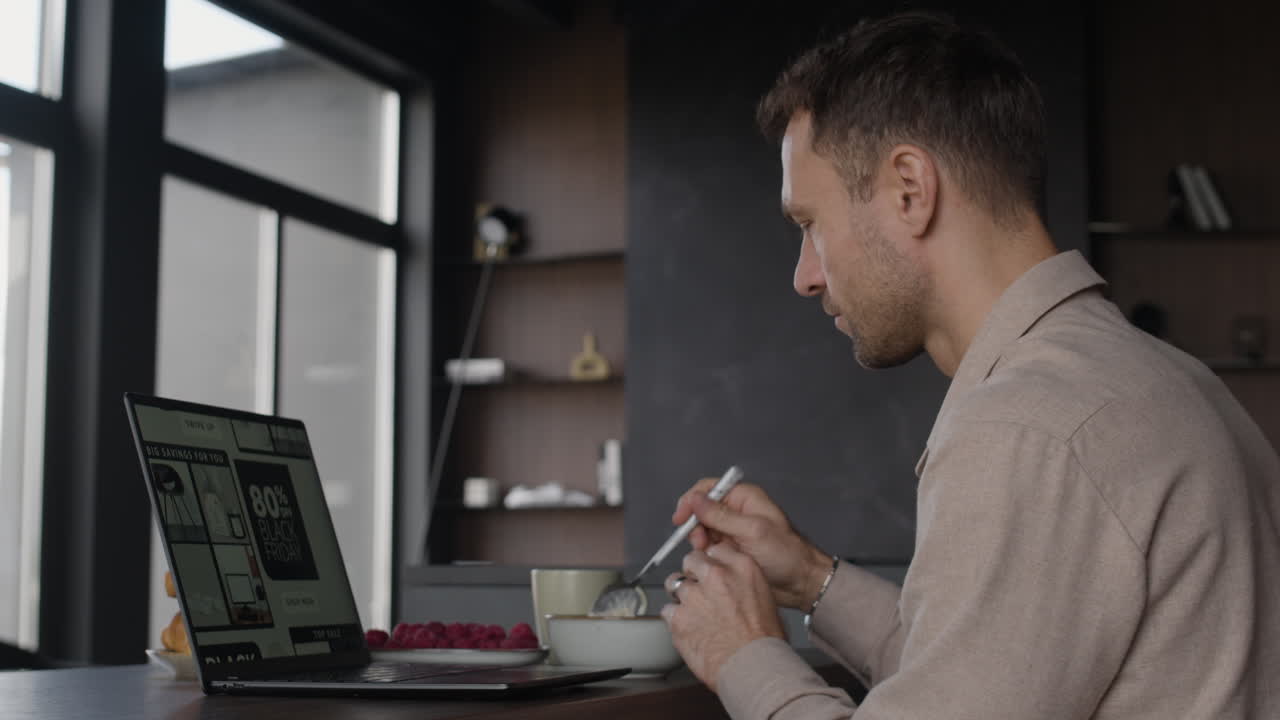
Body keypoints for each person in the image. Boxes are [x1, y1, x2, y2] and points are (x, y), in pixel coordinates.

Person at [658, 11, 1280, 719]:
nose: (804, 275)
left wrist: (744, 658)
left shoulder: (1027, 429)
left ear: (909, 191)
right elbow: (985, 680)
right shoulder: (1168, 381)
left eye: (810, 224)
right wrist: (809, 577)